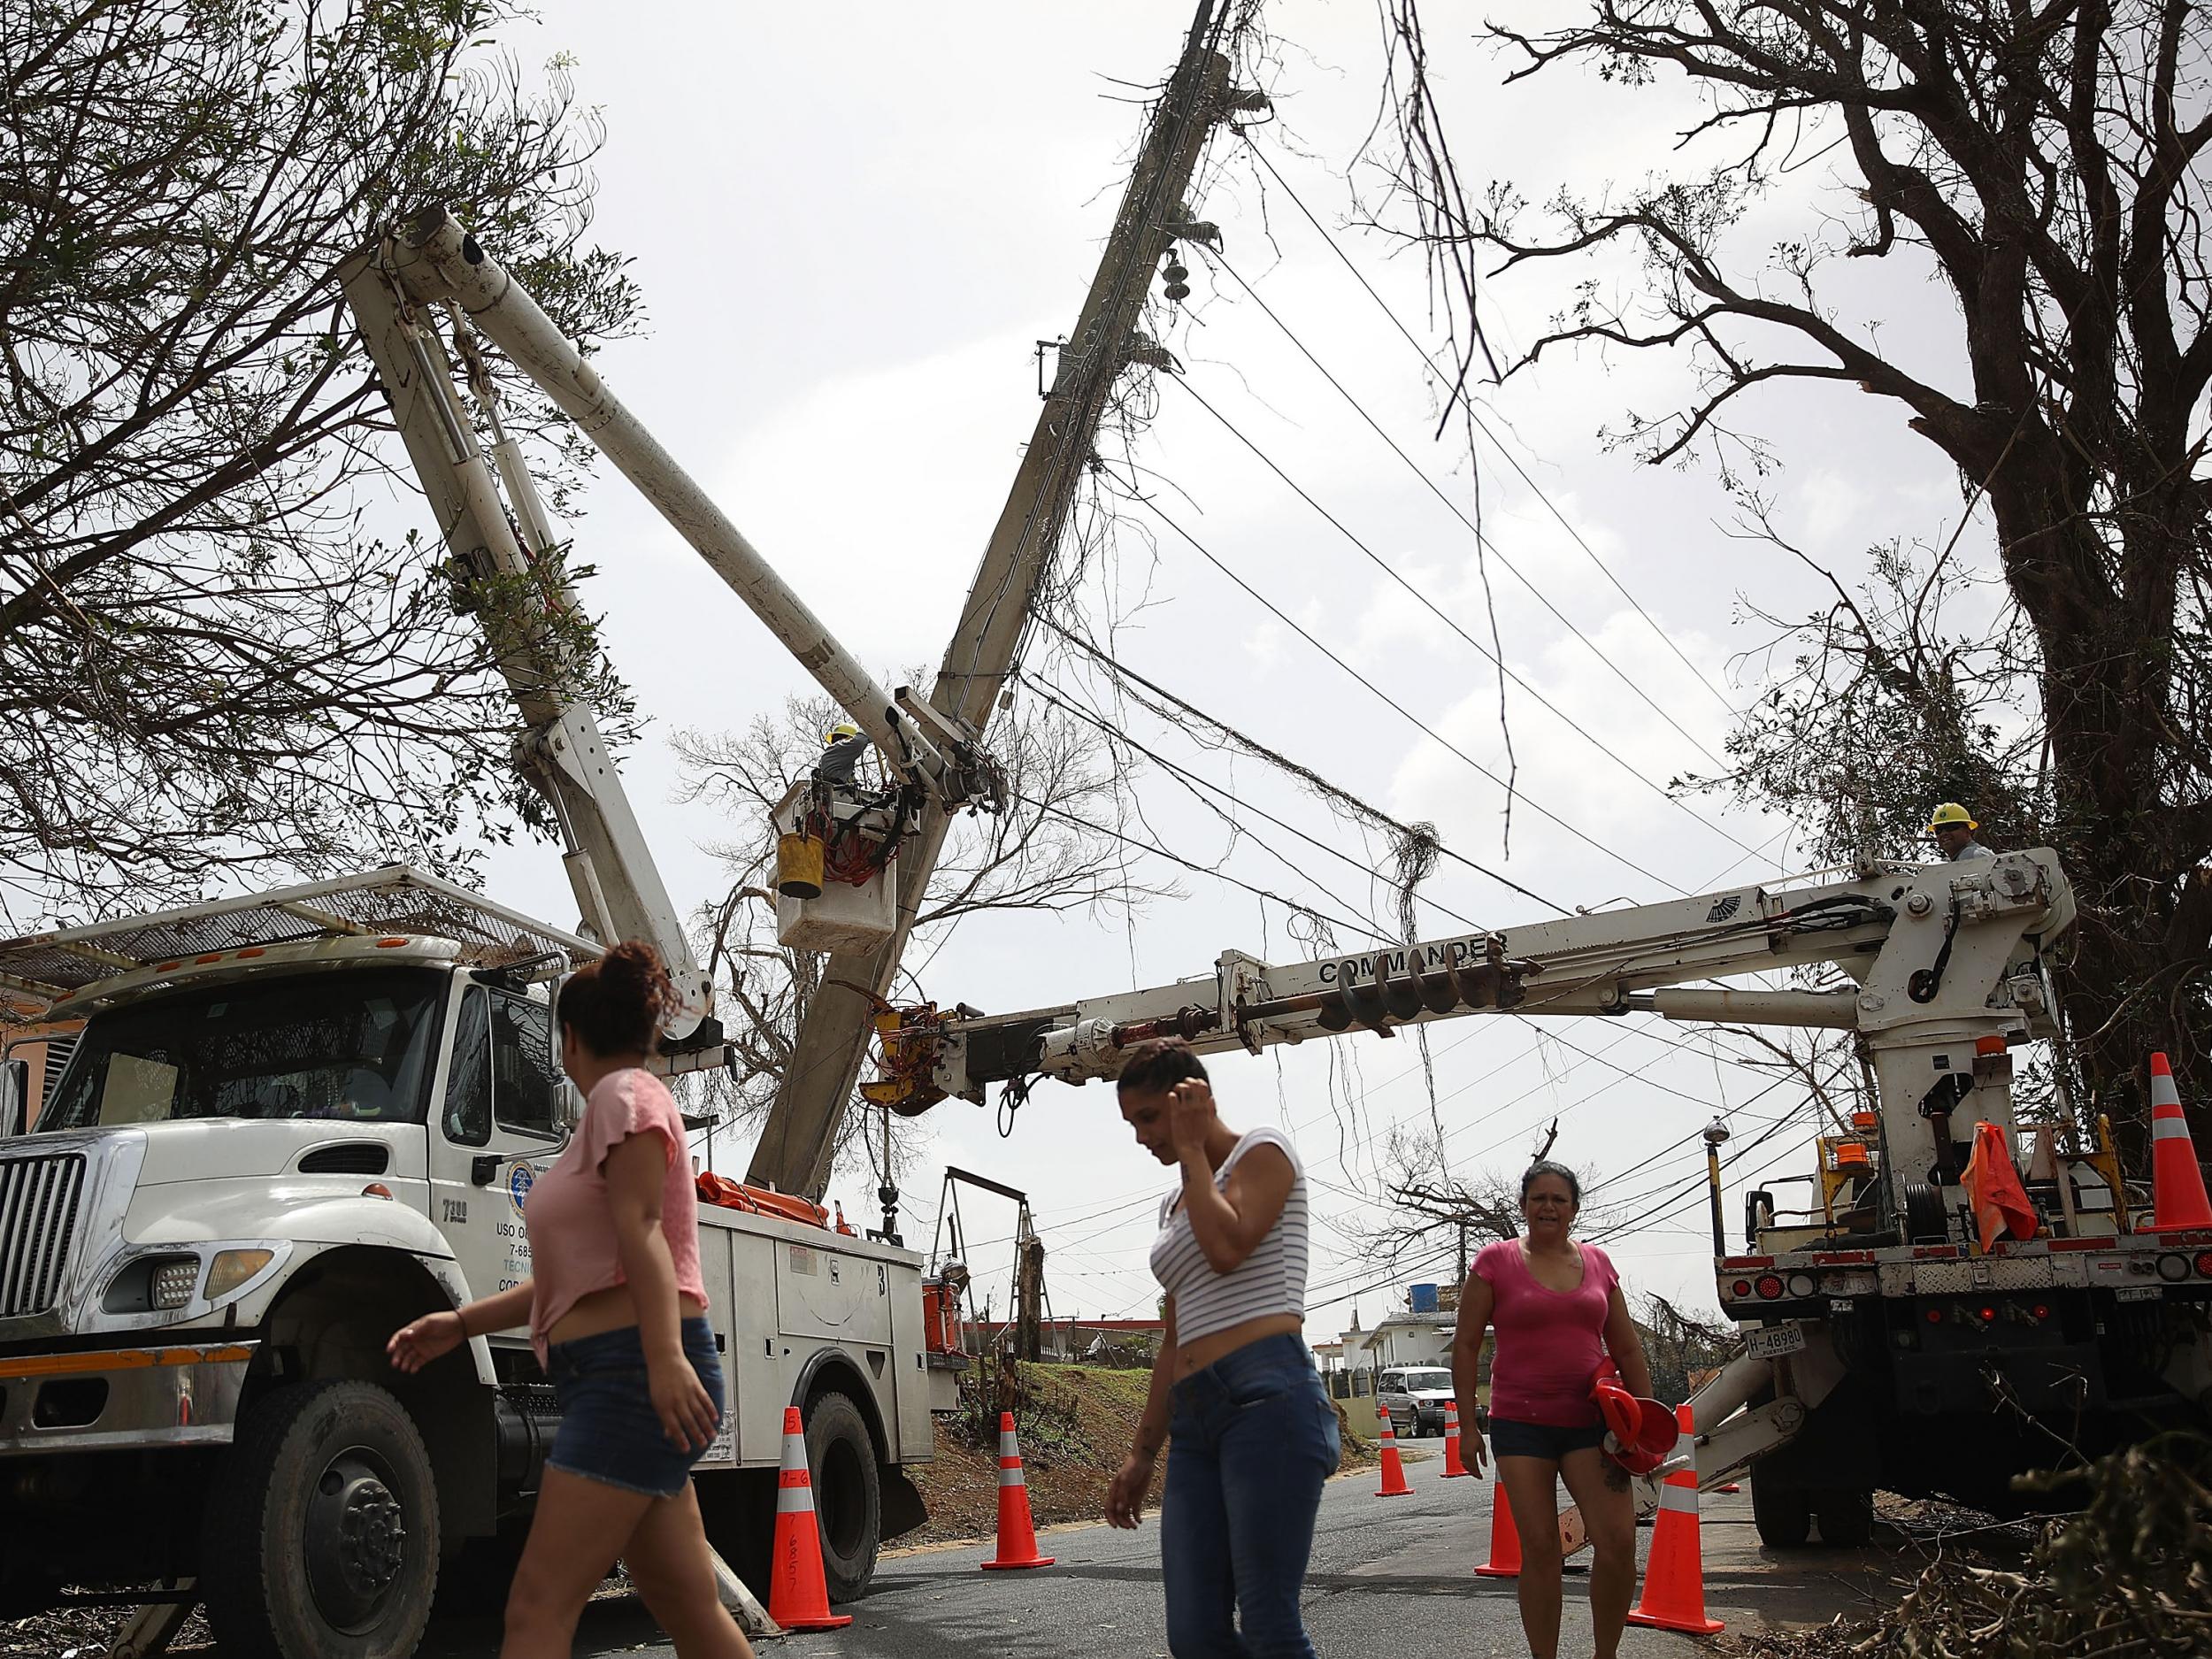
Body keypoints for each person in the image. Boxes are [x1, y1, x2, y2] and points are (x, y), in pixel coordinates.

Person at [388, 942, 752, 1659]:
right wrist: (460, 1322)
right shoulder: (608, 1116)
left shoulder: (624, 1095)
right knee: (688, 1605)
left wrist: (664, 1357)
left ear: (571, 1040)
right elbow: (568, 1285)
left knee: (535, 1609)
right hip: (621, 1373)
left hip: (628, 1378)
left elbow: (643, 1226)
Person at [1103, 1037, 1336, 1659]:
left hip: (1268, 1399)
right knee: (1196, 1635)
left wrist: (1189, 1152)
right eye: (1133, 1123)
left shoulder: (1262, 1151)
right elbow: (1176, 1334)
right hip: (1197, 1417)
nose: (1141, 1136)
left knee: (1267, 1622)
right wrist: (1142, 1451)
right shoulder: (1176, 1202)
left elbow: (1227, 1247)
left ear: (1193, 1102)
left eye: (1149, 1117)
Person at [1450, 1160, 1655, 1659]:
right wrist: (1468, 1427)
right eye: (1538, 1198)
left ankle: (1604, 1653)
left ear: (1574, 1209)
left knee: (1618, 1545)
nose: (1548, 1206)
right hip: (1520, 1425)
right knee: (1541, 1550)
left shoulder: (1599, 1264)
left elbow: (1626, 1349)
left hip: (1591, 1423)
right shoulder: (1494, 1262)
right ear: (1522, 1207)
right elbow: (1465, 1345)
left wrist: (1647, 1420)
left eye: (1558, 1199)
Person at [1926, 802, 1993, 861]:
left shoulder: (1970, 855)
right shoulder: (1962, 858)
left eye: (1951, 827)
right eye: (1939, 830)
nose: (1944, 833)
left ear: (1967, 832)